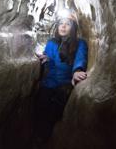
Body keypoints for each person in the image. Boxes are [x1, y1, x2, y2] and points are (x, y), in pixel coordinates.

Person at [32, 8, 88, 148]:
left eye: (67, 24)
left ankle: (47, 135)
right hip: (50, 81)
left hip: (65, 82)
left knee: (56, 106)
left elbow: (80, 58)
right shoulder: (51, 43)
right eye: (61, 23)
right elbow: (50, 59)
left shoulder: (79, 43)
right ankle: (39, 135)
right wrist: (46, 58)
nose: (63, 26)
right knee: (41, 103)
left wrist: (77, 71)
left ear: (73, 28)